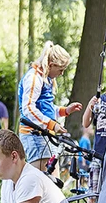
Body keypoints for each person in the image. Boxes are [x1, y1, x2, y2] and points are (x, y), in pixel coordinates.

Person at [18, 41, 83, 171]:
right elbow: (28, 109)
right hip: (34, 135)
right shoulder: (34, 78)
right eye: (61, 70)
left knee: (52, 179)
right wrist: (52, 124)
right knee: (42, 179)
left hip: (45, 135)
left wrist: (65, 110)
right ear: (51, 65)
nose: (62, 73)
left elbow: (45, 108)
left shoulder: (46, 79)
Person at [81, 63, 106, 203]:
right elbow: (85, 123)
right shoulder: (100, 100)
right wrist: (89, 106)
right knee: (93, 193)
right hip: (98, 153)